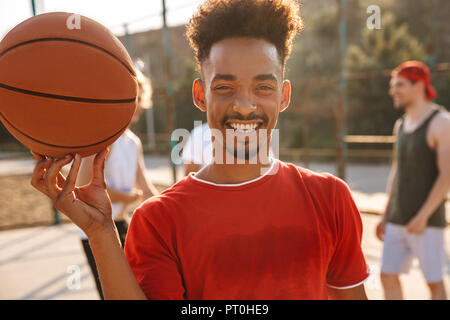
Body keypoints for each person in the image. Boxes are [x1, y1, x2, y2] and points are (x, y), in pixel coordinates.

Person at [30, 0, 370, 300]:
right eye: (225, 87)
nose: (244, 105)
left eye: (263, 87)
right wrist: (101, 232)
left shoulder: (330, 198)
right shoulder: (158, 221)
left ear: (283, 95)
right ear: (200, 95)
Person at [75, 68, 159, 299]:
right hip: (95, 229)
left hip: (122, 225)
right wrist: (128, 197)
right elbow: (85, 191)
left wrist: (169, 211)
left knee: (133, 292)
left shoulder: (133, 142)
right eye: (133, 98)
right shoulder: (100, 139)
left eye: (140, 98)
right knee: (112, 294)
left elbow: (145, 186)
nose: (139, 104)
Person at [376, 61, 450, 300]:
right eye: (392, 85)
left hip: (427, 222)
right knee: (387, 275)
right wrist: (386, 214)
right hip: (398, 219)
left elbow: (446, 175)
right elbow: (397, 172)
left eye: (399, 85)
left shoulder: (441, 122)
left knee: (434, 283)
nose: (393, 91)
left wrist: (423, 216)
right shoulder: (401, 125)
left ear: (419, 86)